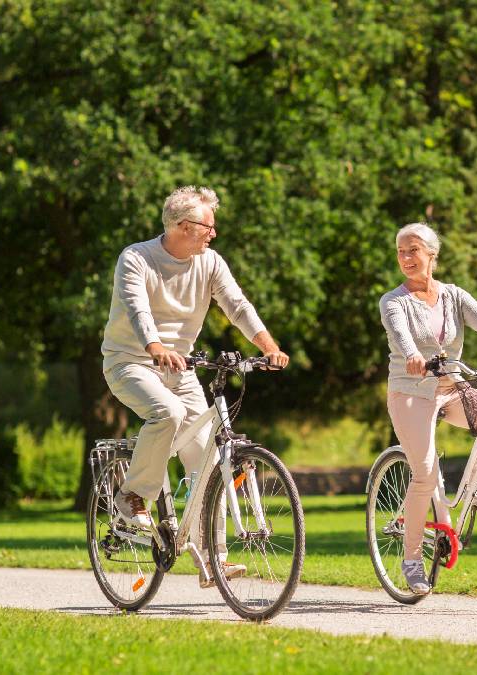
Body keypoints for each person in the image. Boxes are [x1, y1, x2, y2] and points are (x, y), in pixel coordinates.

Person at [101, 185, 290, 588]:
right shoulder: (137, 258)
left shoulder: (210, 262)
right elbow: (137, 308)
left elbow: (237, 305)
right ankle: (131, 497)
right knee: (165, 413)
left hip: (181, 368)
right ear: (184, 226)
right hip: (130, 362)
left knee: (206, 453)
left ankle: (213, 557)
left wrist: (268, 346)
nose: (213, 233)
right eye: (208, 226)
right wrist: (153, 346)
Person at [379, 222, 477, 595]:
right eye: (401, 251)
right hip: (411, 390)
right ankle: (412, 560)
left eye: (413, 250)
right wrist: (414, 356)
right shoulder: (394, 301)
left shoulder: (453, 296)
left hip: (452, 387)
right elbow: (401, 334)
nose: (406, 258)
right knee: (422, 472)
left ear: (432, 254)